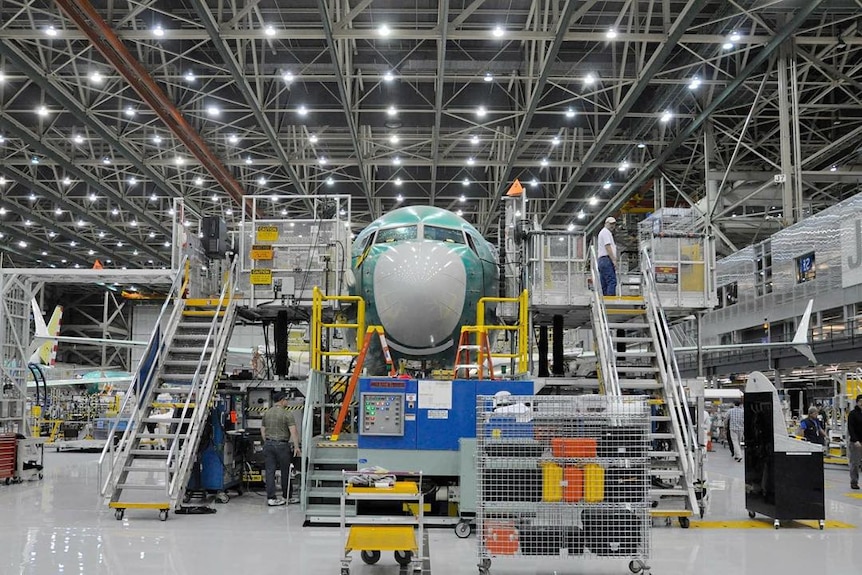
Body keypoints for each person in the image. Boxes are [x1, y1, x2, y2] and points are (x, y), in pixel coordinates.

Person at [261, 391, 301, 506]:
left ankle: (271, 498)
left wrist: (267, 442)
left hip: (268, 444)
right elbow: (293, 431)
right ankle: (286, 496)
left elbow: (262, 430)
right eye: (286, 400)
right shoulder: (287, 414)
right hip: (282, 446)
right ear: (282, 400)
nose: (287, 402)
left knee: (269, 472)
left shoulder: (267, 413)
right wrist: (297, 446)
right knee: (285, 471)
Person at [596, 216, 618, 296]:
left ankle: (605, 301)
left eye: (614, 224)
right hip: (606, 259)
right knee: (611, 281)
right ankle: (611, 302)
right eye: (610, 224)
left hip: (602, 260)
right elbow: (607, 246)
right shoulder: (606, 232)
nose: (612, 226)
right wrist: (614, 260)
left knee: (604, 282)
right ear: (606, 223)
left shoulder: (603, 232)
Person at [848, 394, 862, 490]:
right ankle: (854, 482)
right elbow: (851, 428)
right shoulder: (852, 414)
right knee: (855, 463)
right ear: (857, 402)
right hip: (856, 443)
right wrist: (855, 440)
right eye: (861, 401)